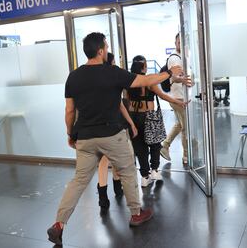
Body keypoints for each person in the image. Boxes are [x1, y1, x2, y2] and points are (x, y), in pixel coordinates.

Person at [47, 32, 183, 246]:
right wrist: (168, 72)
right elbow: (146, 80)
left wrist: (70, 134)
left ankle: (59, 224)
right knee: (128, 171)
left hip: (84, 137)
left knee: (79, 180)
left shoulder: (73, 76)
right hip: (112, 135)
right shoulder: (112, 72)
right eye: (107, 47)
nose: (108, 50)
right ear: (100, 50)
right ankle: (136, 213)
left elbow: (69, 111)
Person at [128, 55, 188, 187]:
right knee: (154, 144)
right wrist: (179, 102)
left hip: (133, 117)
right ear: (144, 67)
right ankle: (154, 170)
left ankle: (144, 176)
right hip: (149, 117)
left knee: (140, 147)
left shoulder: (130, 81)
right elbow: (162, 96)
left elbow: (126, 101)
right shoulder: (148, 81)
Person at [97, 52, 138, 213]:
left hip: (96, 125)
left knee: (105, 161)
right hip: (112, 124)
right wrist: (130, 122)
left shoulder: (96, 78)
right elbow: (120, 104)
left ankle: (105, 195)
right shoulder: (112, 77)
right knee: (113, 158)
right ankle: (115, 189)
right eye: (114, 61)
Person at [160, 33, 191, 164]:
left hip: (180, 96)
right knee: (186, 128)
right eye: (178, 42)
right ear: (175, 43)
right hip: (178, 98)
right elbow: (173, 77)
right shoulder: (174, 59)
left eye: (183, 42)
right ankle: (186, 156)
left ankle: (165, 145)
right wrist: (183, 80)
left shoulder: (182, 57)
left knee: (180, 124)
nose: (180, 44)